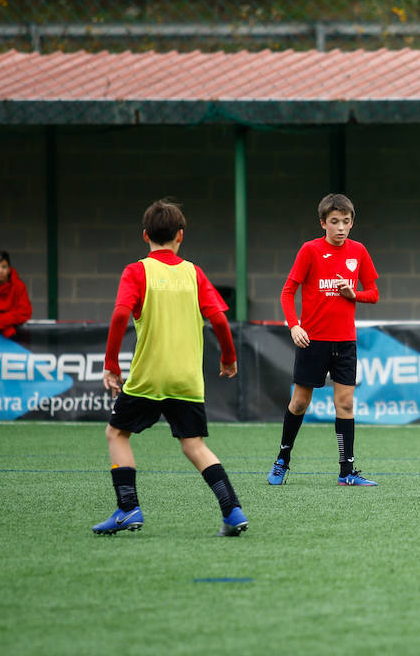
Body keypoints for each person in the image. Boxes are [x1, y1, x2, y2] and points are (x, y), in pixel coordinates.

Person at [92, 197, 247, 536]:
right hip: (187, 380)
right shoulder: (193, 273)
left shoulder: (137, 271)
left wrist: (111, 364)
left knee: (116, 433)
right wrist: (228, 358)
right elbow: (220, 318)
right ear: (180, 235)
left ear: (145, 235)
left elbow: (120, 314)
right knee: (194, 445)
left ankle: (128, 509)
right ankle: (232, 511)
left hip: (149, 378)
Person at [266, 193, 380, 487]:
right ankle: (282, 460)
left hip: (345, 343)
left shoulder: (359, 251)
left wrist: (353, 294)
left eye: (346, 221)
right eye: (334, 222)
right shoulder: (309, 251)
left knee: (345, 405)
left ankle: (346, 472)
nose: (341, 227)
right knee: (300, 402)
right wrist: (294, 326)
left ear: (352, 222)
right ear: (323, 223)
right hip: (312, 341)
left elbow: (374, 294)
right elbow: (287, 291)